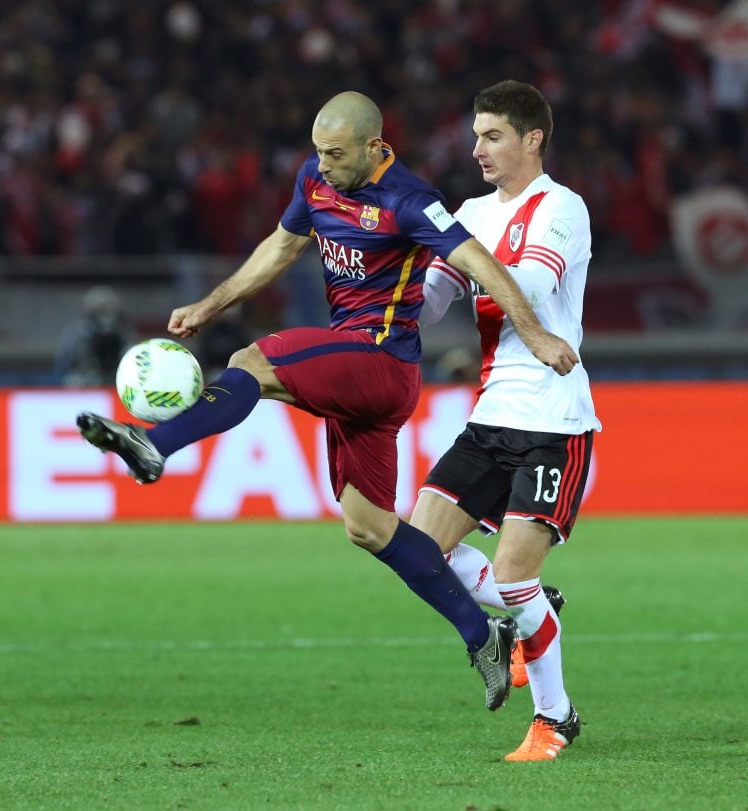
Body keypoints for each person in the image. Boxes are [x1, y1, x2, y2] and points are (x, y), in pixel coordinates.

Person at [75, 90, 578, 711]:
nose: (324, 163)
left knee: (252, 364)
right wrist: (211, 304)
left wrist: (532, 331)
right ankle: (483, 634)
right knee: (369, 527)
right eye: (318, 151)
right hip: (350, 369)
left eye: (336, 154)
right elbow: (282, 247)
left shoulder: (410, 199)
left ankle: (154, 443)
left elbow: (481, 262)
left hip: (382, 362)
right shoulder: (316, 177)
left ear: (374, 147)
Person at [412, 80, 602, 760]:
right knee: (417, 547)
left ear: (531, 138)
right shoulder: (467, 211)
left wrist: (458, 249)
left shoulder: (563, 208)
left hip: (554, 420)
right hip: (490, 416)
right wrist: (390, 281)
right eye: (475, 135)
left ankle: (556, 717)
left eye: (492, 135)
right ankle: (536, 603)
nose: (477, 149)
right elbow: (430, 304)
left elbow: (534, 284)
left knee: (513, 581)